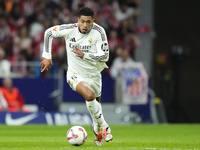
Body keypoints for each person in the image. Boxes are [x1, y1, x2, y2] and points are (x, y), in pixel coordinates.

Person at [40, 6, 113, 146]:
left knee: (96, 105)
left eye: (88, 22)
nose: (85, 25)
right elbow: (49, 32)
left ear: (93, 21)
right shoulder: (70, 29)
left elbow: (105, 56)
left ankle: (96, 128)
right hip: (75, 74)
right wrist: (47, 56)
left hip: (94, 75)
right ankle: (104, 126)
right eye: (83, 21)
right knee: (90, 95)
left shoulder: (99, 32)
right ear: (78, 20)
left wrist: (85, 55)